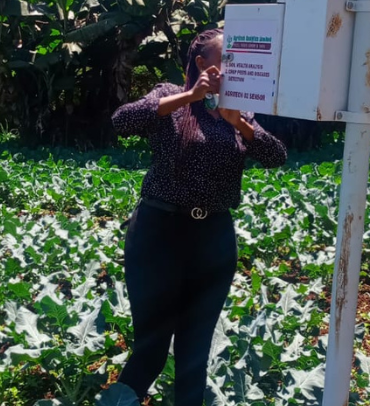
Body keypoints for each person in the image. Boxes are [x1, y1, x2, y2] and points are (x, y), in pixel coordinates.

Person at [110, 28, 287, 405]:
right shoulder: (167, 95)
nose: (235, 68)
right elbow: (122, 121)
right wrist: (189, 97)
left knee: (194, 356)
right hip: (159, 235)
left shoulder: (240, 107)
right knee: (151, 350)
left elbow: (277, 157)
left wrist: (239, 122)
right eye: (228, 59)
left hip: (213, 240)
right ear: (202, 63)